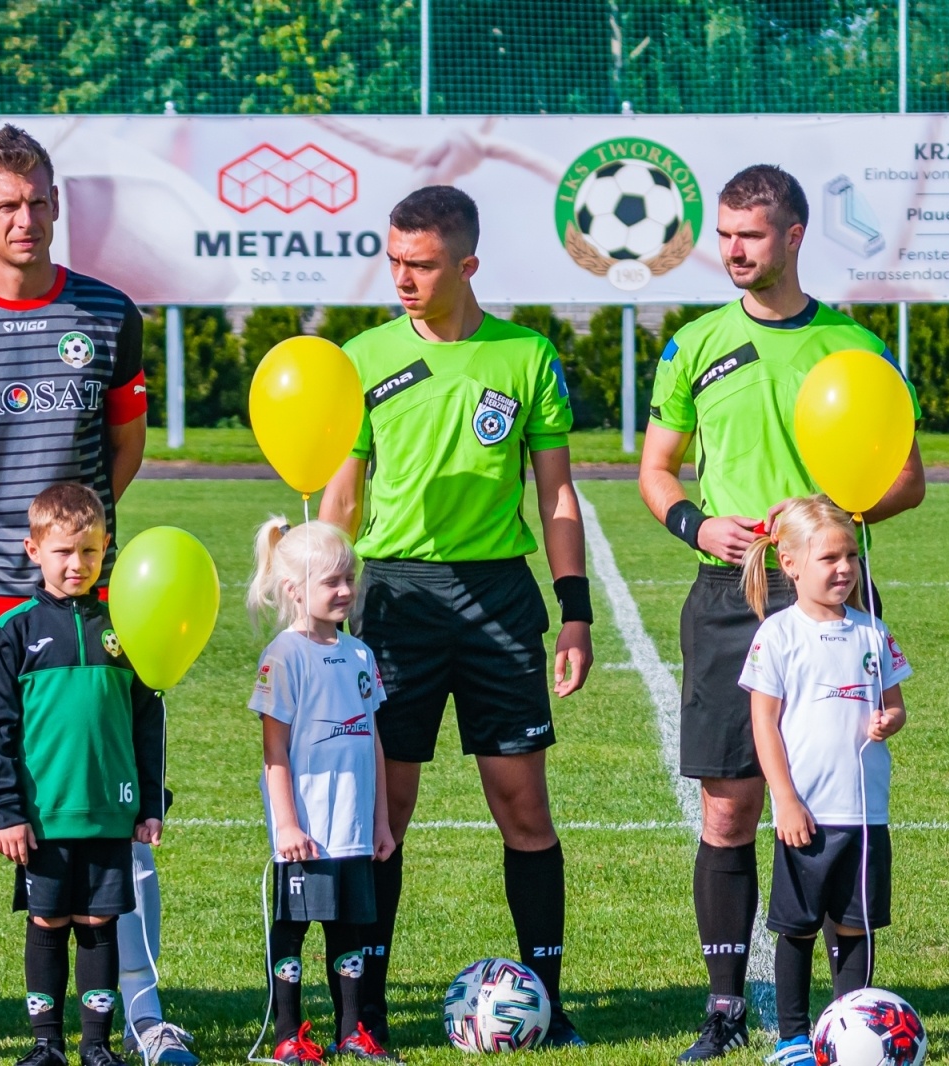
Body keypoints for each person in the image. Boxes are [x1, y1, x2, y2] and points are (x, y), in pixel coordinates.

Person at [0, 124, 195, 1066]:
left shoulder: (110, 313)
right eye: (6, 204)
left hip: (87, 602)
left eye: (38, 202)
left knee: (116, 797)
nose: (25, 218)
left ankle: (145, 1010)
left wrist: (78, 545)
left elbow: (126, 444)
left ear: (56, 204)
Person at [638, 164, 925, 1062]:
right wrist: (696, 522)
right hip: (729, 594)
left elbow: (908, 479)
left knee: (836, 806)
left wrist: (827, 532)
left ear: (795, 237)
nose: (732, 250)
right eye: (724, 234)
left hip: (833, 593)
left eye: (750, 235)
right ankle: (726, 1008)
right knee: (728, 811)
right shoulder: (692, 345)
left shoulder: (854, 346)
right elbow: (655, 471)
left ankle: (844, 1016)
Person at [319, 185, 593, 1049]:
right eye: (394, 260)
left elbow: (556, 493)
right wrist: (318, 592)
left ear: (467, 265)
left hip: (499, 601)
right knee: (382, 816)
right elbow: (342, 488)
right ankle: (365, 1017)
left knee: (523, 810)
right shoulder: (359, 359)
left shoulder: (525, 356)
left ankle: (544, 1004)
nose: (402, 277)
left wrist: (574, 612)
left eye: (422, 264)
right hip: (395, 601)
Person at [0, 484, 166, 1066]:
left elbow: (147, 719)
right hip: (42, 813)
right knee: (48, 918)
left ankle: (97, 1046)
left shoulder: (125, 626)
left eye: (88, 551)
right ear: (33, 550)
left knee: (99, 920)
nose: (76, 564)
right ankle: (45, 1045)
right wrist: (8, 810)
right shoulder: (14, 630)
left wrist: (152, 802)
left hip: (109, 806)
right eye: (62, 552)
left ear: (107, 547)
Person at [737, 497, 910, 1066]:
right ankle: (792, 1036)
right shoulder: (777, 636)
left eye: (851, 558)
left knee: (856, 927)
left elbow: (896, 705)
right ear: (789, 563)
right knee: (798, 930)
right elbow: (764, 723)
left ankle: (850, 1030)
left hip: (864, 813)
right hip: (805, 813)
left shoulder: (871, 633)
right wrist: (784, 801)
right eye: (829, 557)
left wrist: (890, 720)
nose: (844, 569)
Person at [246, 518, 397, 1065]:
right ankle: (289, 1033)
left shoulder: (360, 655)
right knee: (292, 931)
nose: (345, 590)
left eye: (349, 578)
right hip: (307, 830)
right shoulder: (283, 655)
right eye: (332, 581)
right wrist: (286, 824)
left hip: (353, 827)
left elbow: (373, 740)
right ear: (295, 590)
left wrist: (380, 821)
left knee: (349, 931)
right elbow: (275, 751)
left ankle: (352, 1031)